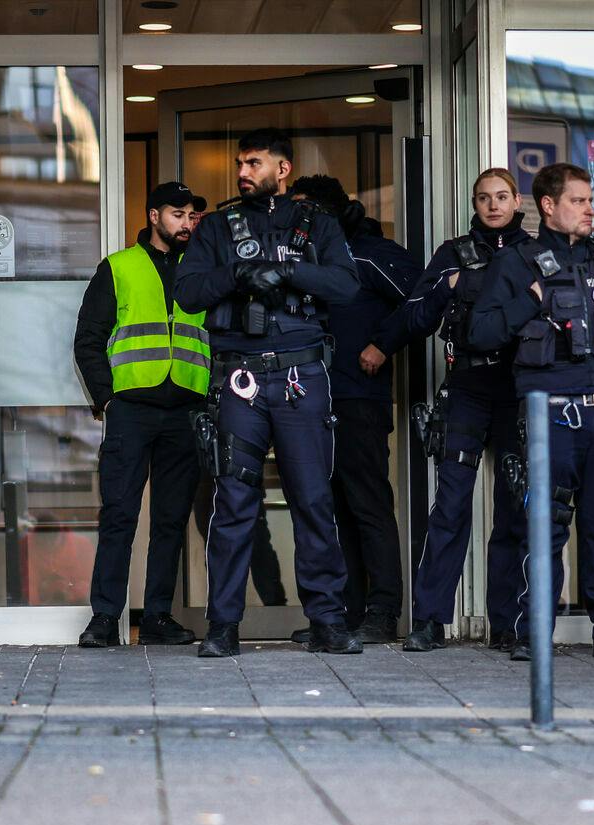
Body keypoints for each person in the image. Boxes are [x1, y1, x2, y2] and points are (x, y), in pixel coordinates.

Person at [173, 128, 363, 658]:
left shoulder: (317, 225)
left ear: (282, 169)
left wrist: (287, 271)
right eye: (239, 163)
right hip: (241, 377)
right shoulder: (215, 228)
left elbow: (347, 286)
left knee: (312, 498)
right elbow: (187, 294)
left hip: (302, 377)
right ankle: (223, 626)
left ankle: (327, 619)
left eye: (253, 163)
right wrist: (237, 274)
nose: (242, 172)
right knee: (233, 502)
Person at [463, 162, 594, 662]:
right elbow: (479, 334)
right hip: (547, 412)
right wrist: (531, 301)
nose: (590, 210)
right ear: (549, 206)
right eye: (580, 201)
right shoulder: (518, 263)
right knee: (543, 528)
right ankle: (533, 632)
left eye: (591, 201)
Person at [394, 167, 534, 653]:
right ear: (473, 204)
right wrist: (446, 287)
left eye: (501, 196)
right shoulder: (453, 254)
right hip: (467, 388)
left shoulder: (537, 254)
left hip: (520, 390)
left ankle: (509, 624)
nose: (493, 206)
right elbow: (412, 317)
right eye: (483, 198)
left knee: (516, 507)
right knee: (450, 506)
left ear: (518, 201)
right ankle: (431, 621)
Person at [71, 181, 209, 648]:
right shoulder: (119, 267)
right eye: (178, 214)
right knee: (119, 516)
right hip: (131, 409)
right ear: (153, 216)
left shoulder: (205, 268)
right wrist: (107, 398)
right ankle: (105, 618)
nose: (187, 223)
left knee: (171, 520)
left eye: (192, 216)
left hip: (186, 407)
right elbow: (88, 338)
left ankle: (157, 617)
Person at [286, 174, 420, 645]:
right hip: (309, 398)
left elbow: (422, 300)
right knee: (330, 507)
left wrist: (381, 345)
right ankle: (344, 613)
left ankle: (383, 610)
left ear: (324, 212)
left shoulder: (366, 251)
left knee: (367, 505)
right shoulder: (304, 256)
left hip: (357, 397)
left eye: (301, 209)